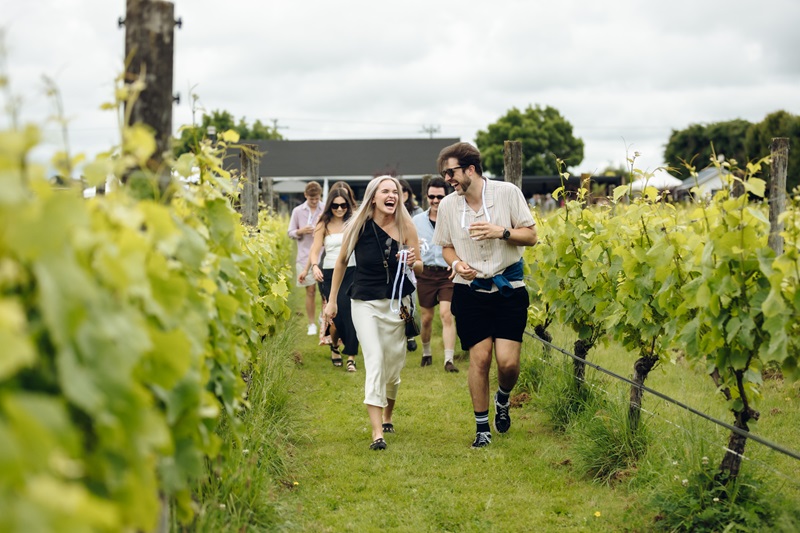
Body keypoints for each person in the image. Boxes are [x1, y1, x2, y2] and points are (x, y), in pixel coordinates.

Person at [432, 142, 538, 448]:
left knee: (507, 364)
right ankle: (482, 428)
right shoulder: (450, 206)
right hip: (470, 292)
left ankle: (502, 398)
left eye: (450, 172)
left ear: (470, 169)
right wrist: (456, 263)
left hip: (509, 290)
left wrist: (500, 232)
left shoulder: (507, 193)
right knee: (479, 359)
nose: (447, 179)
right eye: (444, 174)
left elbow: (531, 236)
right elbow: (446, 246)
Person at [324, 175, 422, 451]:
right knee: (376, 359)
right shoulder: (359, 226)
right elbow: (342, 261)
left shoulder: (407, 227)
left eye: (395, 191)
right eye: (386, 191)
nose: (392, 195)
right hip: (364, 301)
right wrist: (332, 301)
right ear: (374, 197)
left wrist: (414, 262)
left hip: (398, 303)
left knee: (394, 363)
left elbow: (421, 269)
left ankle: (388, 415)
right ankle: (377, 433)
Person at [299, 187, 359, 371]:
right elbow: (315, 249)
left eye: (343, 205)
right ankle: (334, 344)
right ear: (330, 206)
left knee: (351, 313)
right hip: (330, 273)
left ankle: (351, 356)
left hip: (352, 271)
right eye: (335, 206)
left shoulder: (353, 222)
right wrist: (313, 267)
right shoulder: (323, 224)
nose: (340, 209)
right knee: (336, 316)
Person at [412, 177, 458, 373]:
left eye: (440, 196)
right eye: (432, 196)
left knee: (446, 314)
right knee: (427, 318)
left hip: (447, 273)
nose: (436, 200)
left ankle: (449, 360)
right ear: (427, 197)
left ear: (446, 196)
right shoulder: (416, 221)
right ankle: (426, 351)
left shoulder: (454, 218)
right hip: (426, 273)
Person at [288, 181, 324, 335]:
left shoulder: (325, 209)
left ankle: (323, 317)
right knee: (310, 291)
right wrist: (301, 231)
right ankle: (311, 324)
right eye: (311, 199)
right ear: (305, 196)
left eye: (316, 198)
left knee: (326, 292)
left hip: (323, 255)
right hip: (304, 256)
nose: (314, 201)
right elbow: (290, 232)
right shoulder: (297, 211)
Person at [397, 178, 422, 352]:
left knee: (409, 297)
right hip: (395, 257)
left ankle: (410, 331)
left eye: (404, 192)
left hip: (410, 256)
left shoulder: (416, 212)